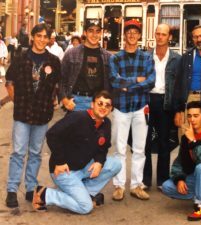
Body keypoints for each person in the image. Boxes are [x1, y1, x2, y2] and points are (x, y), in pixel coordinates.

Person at [32, 91, 121, 214]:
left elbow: (103, 148)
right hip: (65, 171)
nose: (103, 108)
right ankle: (46, 194)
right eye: (100, 103)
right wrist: (60, 161)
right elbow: (52, 134)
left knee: (116, 164)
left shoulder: (106, 124)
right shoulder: (78, 117)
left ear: (111, 109)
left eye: (107, 105)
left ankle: (86, 193)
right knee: (85, 207)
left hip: (83, 167)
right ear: (92, 104)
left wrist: (99, 162)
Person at [5, 23, 61, 208]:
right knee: (18, 152)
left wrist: (51, 101)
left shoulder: (53, 61)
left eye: (46, 37)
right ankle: (12, 190)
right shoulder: (21, 58)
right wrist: (17, 101)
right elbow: (9, 81)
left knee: (36, 153)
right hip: (22, 113)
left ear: (49, 39)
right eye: (39, 36)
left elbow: (55, 86)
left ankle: (31, 188)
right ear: (33, 37)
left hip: (42, 114)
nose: (42, 40)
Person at [109, 19, 155, 201]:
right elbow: (114, 80)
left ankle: (136, 185)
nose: (132, 35)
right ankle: (119, 185)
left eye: (135, 32)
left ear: (139, 35)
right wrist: (137, 81)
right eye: (129, 32)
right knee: (119, 148)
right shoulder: (116, 58)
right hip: (120, 107)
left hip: (140, 107)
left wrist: (128, 85)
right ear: (125, 35)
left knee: (139, 149)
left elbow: (150, 82)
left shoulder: (146, 57)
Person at [143, 24, 181, 190]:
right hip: (148, 100)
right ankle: (145, 179)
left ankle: (162, 180)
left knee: (165, 142)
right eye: (157, 34)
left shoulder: (176, 59)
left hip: (166, 102)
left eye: (163, 34)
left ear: (169, 37)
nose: (160, 37)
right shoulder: (145, 56)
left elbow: (180, 85)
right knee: (145, 141)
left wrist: (178, 108)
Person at [59, 19, 111, 112]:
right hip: (77, 101)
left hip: (99, 103)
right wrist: (64, 99)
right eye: (91, 31)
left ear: (101, 34)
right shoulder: (71, 53)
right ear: (85, 33)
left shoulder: (108, 56)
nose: (94, 35)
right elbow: (61, 78)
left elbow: (112, 81)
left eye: (97, 32)